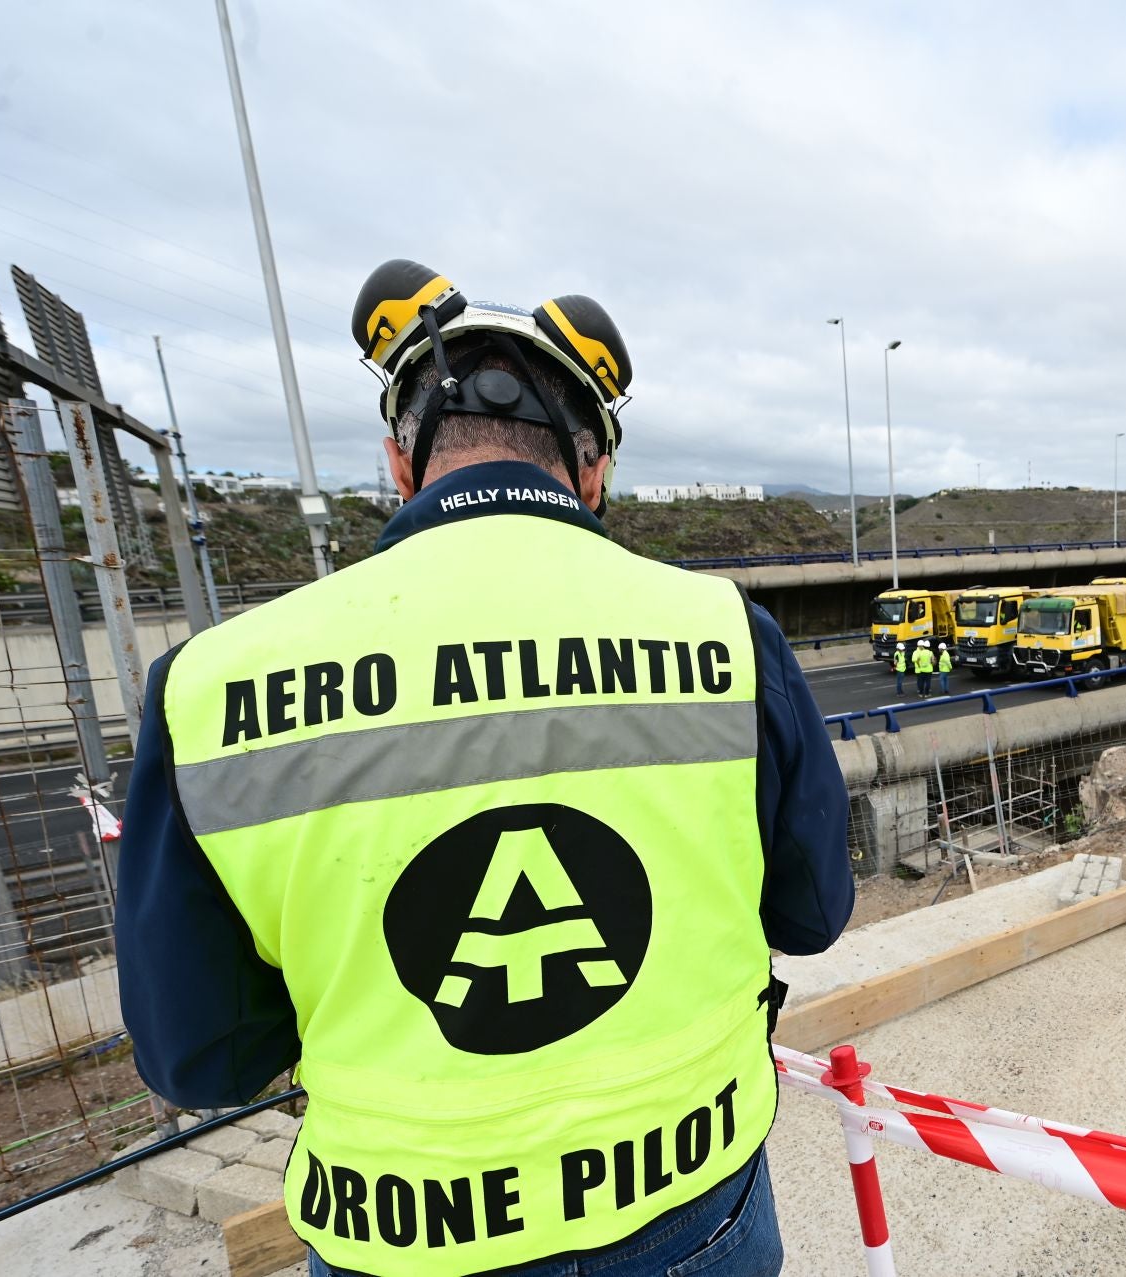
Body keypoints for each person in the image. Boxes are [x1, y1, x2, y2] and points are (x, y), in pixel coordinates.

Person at [116, 259, 854, 1277]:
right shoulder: (728, 633)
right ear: (594, 471)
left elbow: (200, 1055)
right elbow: (812, 912)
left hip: (402, 1235)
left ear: (399, 463)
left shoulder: (209, 687)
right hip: (690, 1207)